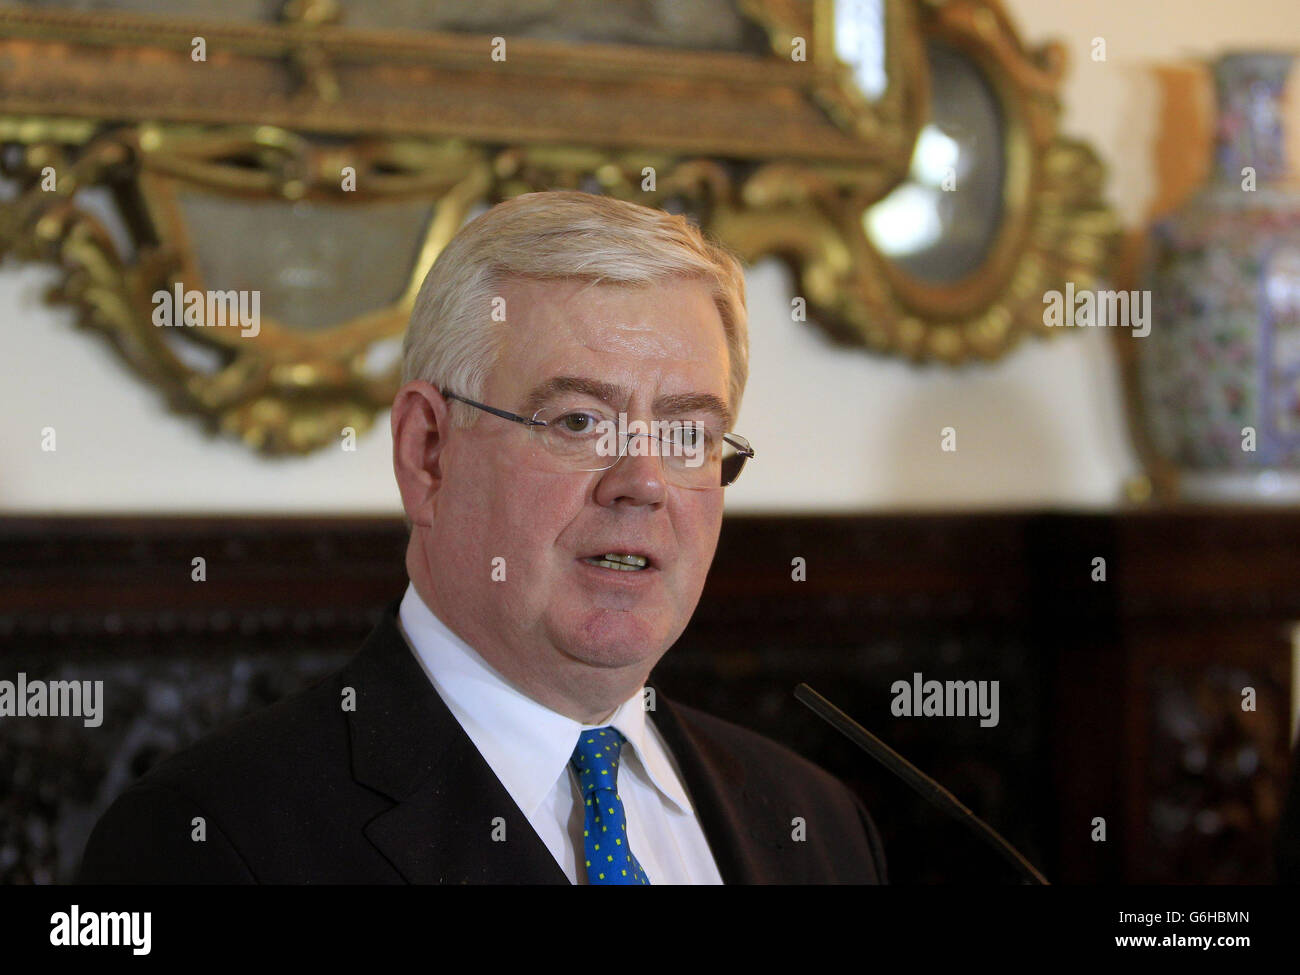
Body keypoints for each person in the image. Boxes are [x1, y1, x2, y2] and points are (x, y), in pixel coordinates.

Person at [77, 191, 887, 884]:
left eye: (688, 435)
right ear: (427, 452)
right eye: (578, 420)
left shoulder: (817, 825)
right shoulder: (212, 841)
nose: (641, 483)